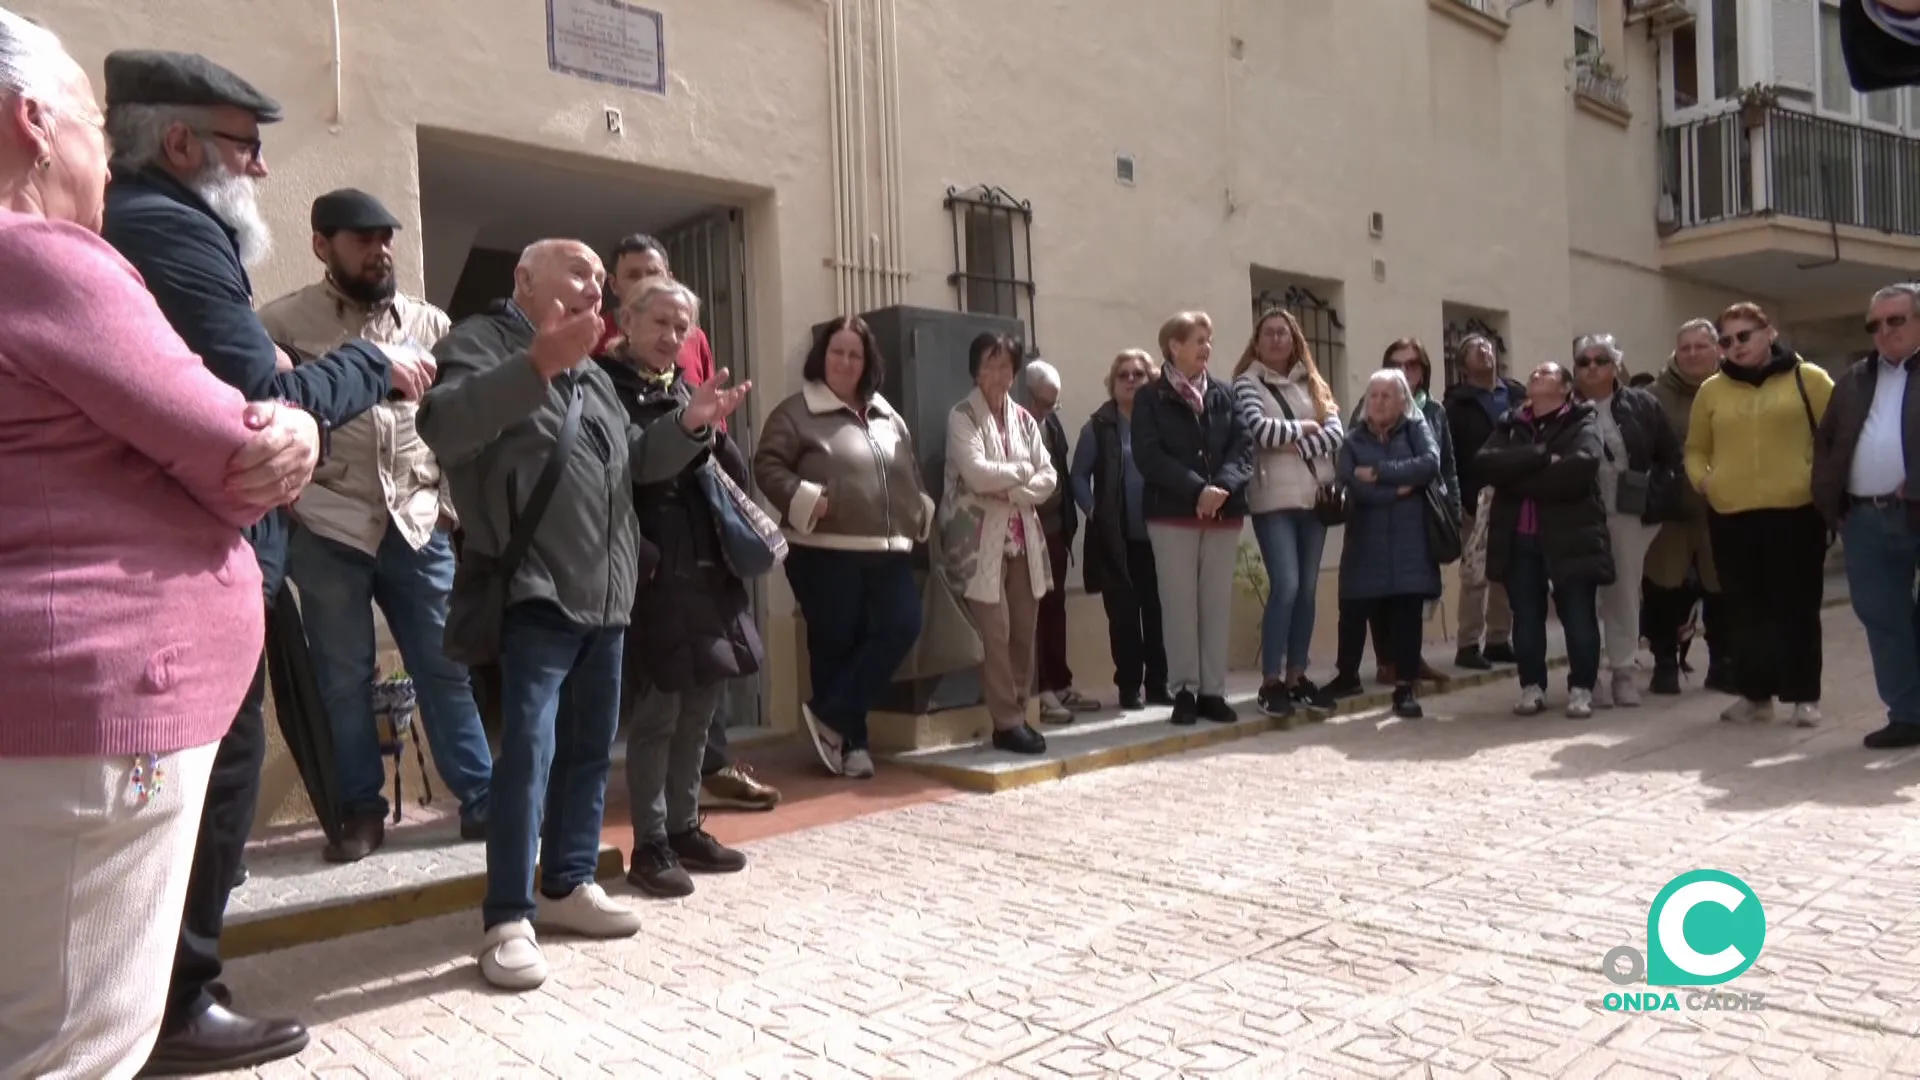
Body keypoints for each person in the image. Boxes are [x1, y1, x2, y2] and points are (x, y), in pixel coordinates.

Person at [0, 12, 316, 1075]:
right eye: (91, 120)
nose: (262, 167)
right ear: (33, 122)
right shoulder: (49, 254)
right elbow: (240, 444)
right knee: (72, 1049)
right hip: (86, 724)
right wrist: (306, 418)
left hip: (55, 727)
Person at [100, 47, 406, 1073]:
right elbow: (250, 410)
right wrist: (364, 369)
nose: (262, 169)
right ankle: (178, 1001)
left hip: (205, 559)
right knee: (218, 779)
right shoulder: (165, 228)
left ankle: (165, 994)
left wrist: (290, 378)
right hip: (193, 561)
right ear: (178, 141)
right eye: (245, 147)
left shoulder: (169, 223)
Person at [418, 238, 749, 990]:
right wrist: (537, 364)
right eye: (579, 272)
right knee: (527, 755)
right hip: (534, 588)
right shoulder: (478, 343)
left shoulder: (597, 378)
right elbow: (443, 426)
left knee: (589, 749)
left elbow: (634, 463)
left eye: (601, 279)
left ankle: (566, 883)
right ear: (524, 280)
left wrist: (689, 427)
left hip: (608, 595)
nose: (594, 287)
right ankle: (507, 914)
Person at [256, 188, 492, 861]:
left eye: (385, 237)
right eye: (362, 239)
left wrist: (448, 505)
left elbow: (460, 423)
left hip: (418, 523)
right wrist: (293, 502)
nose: (379, 250)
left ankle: (481, 799)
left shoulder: (431, 325)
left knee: (446, 669)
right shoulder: (280, 323)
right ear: (322, 244)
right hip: (327, 524)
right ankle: (360, 811)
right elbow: (268, 412)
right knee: (343, 676)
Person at [598, 232, 776, 811]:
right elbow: (633, 468)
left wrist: (716, 434)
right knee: (660, 714)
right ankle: (653, 841)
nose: (671, 338)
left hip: (705, 566)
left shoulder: (681, 385)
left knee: (702, 710)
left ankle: (685, 826)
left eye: (682, 329)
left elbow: (726, 473)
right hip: (654, 571)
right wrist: (692, 426)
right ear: (627, 320)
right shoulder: (604, 383)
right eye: (660, 325)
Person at [753, 316, 933, 778]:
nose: (846, 361)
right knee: (836, 642)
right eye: (838, 352)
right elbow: (767, 465)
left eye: (856, 354)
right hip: (821, 548)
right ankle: (852, 746)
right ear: (822, 357)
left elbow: (906, 465)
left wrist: (919, 504)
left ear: (867, 362)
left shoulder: (886, 413)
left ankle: (831, 714)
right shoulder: (795, 412)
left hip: (888, 546)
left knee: (902, 623)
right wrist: (807, 498)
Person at [1685, 301, 1832, 727]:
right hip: (1732, 514)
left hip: (1796, 512)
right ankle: (1755, 695)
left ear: (1770, 333)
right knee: (1744, 608)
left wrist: (1816, 479)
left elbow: (1837, 435)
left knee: (1798, 606)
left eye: (1743, 336)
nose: (1735, 346)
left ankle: (1805, 696)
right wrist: (1705, 482)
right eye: (1726, 340)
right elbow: (1695, 448)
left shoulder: (1811, 379)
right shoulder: (1711, 390)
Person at [1132, 311, 1254, 726]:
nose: (1207, 347)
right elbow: (1149, 455)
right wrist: (1195, 490)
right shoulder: (1151, 397)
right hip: (1172, 516)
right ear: (1174, 346)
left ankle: (1213, 692)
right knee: (1180, 607)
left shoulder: (1225, 393)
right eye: (1198, 339)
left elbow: (1243, 448)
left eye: (1209, 339)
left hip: (1222, 513)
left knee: (1215, 606)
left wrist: (1220, 488)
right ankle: (1184, 690)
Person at [1813, 283, 1920, 749]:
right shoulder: (1855, 377)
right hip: (1864, 519)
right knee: (1883, 617)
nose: (1884, 331)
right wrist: (1831, 501)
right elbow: (1828, 442)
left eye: (1895, 320)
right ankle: (1908, 715)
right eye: (1874, 324)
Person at [940, 334, 1056, 754]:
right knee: (996, 631)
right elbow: (976, 474)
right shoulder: (962, 416)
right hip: (980, 541)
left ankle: (1018, 715)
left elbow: (1049, 476)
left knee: (1024, 632)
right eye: (991, 365)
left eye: (1007, 366)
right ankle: (1006, 720)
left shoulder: (1025, 418)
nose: (999, 375)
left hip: (1024, 536)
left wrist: (1014, 487)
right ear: (976, 370)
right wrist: (1021, 472)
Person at [1477, 363, 1612, 718]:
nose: (1535, 375)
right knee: (1526, 616)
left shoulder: (1582, 421)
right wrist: (1539, 457)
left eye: (1546, 373)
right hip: (1519, 537)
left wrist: (1515, 477)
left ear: (1566, 388)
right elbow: (1486, 464)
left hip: (1570, 535)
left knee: (1578, 615)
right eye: (1533, 372)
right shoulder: (1510, 422)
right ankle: (1531, 686)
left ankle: (1582, 687)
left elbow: (1580, 469)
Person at [1231, 308, 1344, 719]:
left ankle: (1297, 677)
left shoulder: (1312, 383)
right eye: (1269, 333)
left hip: (1315, 499)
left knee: (1309, 591)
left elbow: (1337, 432)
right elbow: (1260, 431)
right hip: (1273, 501)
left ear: (1295, 340)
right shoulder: (1246, 383)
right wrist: (1306, 430)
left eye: (1284, 333)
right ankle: (1270, 681)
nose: (1277, 339)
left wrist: (1299, 440)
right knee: (1288, 586)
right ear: (1257, 342)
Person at [1326, 340, 1455, 696]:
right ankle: (1347, 676)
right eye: (1374, 396)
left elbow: (1429, 465)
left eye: (1387, 395)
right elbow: (1349, 482)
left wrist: (1380, 472)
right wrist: (1399, 489)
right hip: (1365, 538)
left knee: (1406, 612)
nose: (1379, 402)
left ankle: (1405, 687)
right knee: (1353, 608)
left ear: (1403, 401)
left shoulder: (1417, 429)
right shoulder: (1353, 439)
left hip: (1410, 538)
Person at [1571, 333, 1682, 708]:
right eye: (1583, 361)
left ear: (1615, 364)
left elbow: (1670, 457)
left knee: (1622, 596)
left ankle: (1622, 671)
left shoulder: (1642, 405)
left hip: (1626, 515)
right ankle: (1586, 677)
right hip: (1576, 516)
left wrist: (1654, 500)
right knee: (1578, 598)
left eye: (1600, 360)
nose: (1591, 367)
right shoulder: (1564, 406)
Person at [1071, 350, 1172, 710]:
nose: (1131, 380)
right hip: (1115, 541)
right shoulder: (1098, 425)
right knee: (1124, 617)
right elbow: (1078, 477)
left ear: (1152, 381)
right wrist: (1094, 510)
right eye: (1123, 375)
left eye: (1139, 375)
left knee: (1158, 613)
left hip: (1159, 536)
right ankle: (1129, 686)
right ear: (1112, 383)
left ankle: (1158, 684)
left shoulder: (1161, 422)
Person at [1643, 319, 1733, 694]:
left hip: (1723, 510)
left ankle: (1723, 662)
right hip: (1672, 512)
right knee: (1663, 590)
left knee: (1722, 590)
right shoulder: (1653, 395)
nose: (1693, 353)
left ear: (1717, 349)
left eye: (1701, 346)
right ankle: (1665, 662)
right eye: (1686, 348)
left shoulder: (1736, 387)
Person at [1023, 359, 1098, 721]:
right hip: (1026, 532)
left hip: (1054, 532)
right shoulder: (1015, 424)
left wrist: (1068, 528)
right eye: (1040, 402)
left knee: (1055, 609)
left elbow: (1063, 478)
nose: (1045, 410)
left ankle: (1060, 683)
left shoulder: (1050, 423)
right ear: (1026, 395)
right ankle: (1040, 691)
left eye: (1053, 403)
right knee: (1033, 613)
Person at [1442, 334, 1524, 670]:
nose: (1485, 350)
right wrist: (1459, 497)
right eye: (1475, 349)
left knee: (1506, 571)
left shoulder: (1517, 395)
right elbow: (1451, 455)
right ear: (1463, 365)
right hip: (1474, 499)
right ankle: (1467, 644)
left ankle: (1498, 639)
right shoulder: (1456, 404)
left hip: (1515, 494)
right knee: (1475, 573)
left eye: (1488, 345)